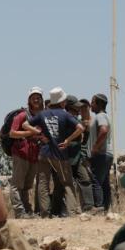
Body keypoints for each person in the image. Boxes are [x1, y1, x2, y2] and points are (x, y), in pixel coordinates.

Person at [29, 87, 84, 217]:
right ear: (62, 102)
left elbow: (25, 124)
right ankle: (72, 212)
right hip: (59, 154)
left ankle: (44, 213)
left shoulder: (43, 114)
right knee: (67, 183)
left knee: (43, 183)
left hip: (44, 153)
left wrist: (38, 133)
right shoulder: (65, 114)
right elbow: (80, 128)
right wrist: (68, 140)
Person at [7, 87, 46, 216]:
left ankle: (27, 210)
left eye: (38, 97)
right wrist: (31, 132)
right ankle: (19, 211)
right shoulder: (22, 115)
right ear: (29, 100)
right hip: (21, 153)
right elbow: (12, 133)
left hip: (34, 155)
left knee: (27, 185)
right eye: (34, 97)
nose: (36, 99)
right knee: (17, 184)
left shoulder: (41, 116)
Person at [66, 96, 95, 212]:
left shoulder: (77, 121)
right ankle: (66, 210)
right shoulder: (66, 119)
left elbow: (83, 140)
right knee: (65, 185)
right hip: (66, 157)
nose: (78, 110)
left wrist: (86, 130)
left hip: (77, 157)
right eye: (75, 108)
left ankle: (88, 206)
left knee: (85, 180)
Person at [88, 93, 114, 213]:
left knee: (96, 180)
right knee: (104, 181)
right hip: (108, 153)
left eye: (92, 102)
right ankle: (106, 208)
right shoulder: (106, 116)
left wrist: (95, 147)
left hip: (101, 154)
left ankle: (98, 207)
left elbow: (103, 130)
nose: (90, 105)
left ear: (98, 104)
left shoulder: (100, 116)